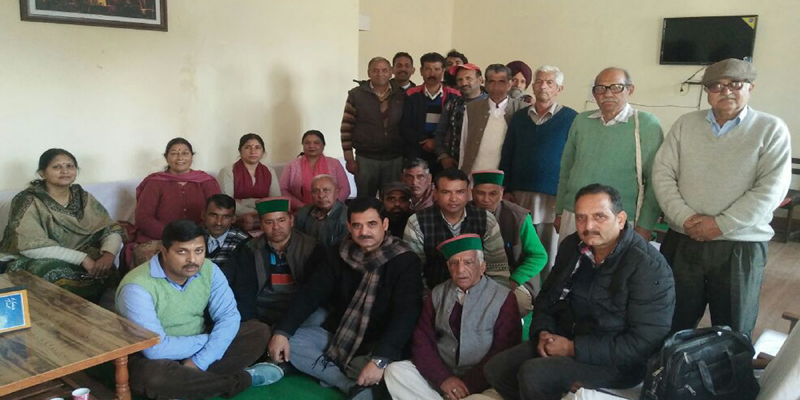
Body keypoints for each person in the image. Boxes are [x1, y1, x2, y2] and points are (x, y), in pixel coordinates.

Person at [485, 184, 675, 400]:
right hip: (568, 337)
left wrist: (573, 348)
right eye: (581, 218)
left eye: (599, 217)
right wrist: (543, 332)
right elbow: (547, 298)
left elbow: (645, 342)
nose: (588, 226)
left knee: (534, 374)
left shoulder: (648, 266)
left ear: (621, 219)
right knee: (497, 369)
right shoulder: (572, 246)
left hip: (619, 362)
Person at [652, 58, 792, 338]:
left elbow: (771, 189)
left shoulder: (771, 129)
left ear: (750, 87)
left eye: (735, 84)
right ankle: (667, 366)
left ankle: (726, 369)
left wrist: (721, 225)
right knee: (670, 320)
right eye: (716, 86)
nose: (725, 91)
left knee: (732, 330)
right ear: (707, 91)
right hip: (684, 239)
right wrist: (685, 218)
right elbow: (662, 173)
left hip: (740, 246)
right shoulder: (685, 124)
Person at [267, 197, 423, 400]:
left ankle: (333, 371)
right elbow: (311, 293)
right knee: (292, 341)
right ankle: (348, 385)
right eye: (357, 225)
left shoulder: (404, 259)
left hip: (378, 341)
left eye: (371, 224)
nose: (364, 232)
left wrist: (380, 360)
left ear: (385, 224)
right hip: (340, 333)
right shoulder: (340, 252)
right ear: (349, 226)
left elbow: (406, 314)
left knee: (384, 370)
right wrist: (282, 331)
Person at [116, 220, 283, 400]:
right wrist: (209, 341)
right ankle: (242, 379)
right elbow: (154, 349)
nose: (192, 260)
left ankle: (187, 385)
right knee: (154, 378)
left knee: (258, 332)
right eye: (182, 252)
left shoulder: (210, 270)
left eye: (199, 251)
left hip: (196, 348)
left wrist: (198, 361)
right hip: (153, 359)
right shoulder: (137, 287)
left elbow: (228, 316)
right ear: (164, 252)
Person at [384, 234, 521, 400]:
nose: (460, 270)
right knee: (395, 371)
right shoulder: (437, 294)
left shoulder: (503, 298)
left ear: (482, 266)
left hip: (484, 383)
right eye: (454, 263)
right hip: (443, 377)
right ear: (448, 268)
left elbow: (503, 351)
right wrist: (444, 379)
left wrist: (467, 386)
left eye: (468, 262)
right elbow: (422, 340)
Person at [554, 67, 663, 242]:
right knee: (571, 259)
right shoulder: (581, 121)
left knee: (612, 261)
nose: (607, 94)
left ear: (630, 90)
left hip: (618, 219)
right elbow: (566, 169)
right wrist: (560, 211)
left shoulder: (646, 124)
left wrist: (646, 225)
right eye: (601, 88)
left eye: (616, 87)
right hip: (575, 214)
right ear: (594, 93)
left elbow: (656, 180)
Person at [0, 149, 125, 300]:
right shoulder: (27, 200)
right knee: (53, 271)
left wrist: (109, 254)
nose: (65, 171)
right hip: (31, 258)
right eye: (57, 167)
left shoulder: (83, 197)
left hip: (81, 256)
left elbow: (109, 228)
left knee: (104, 268)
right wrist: (83, 259)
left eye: (70, 166)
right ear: (42, 173)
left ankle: (89, 310)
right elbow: (31, 247)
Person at [500, 65, 578, 281]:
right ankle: (521, 289)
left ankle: (544, 291)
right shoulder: (519, 117)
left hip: (552, 199)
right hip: (519, 195)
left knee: (547, 250)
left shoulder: (572, 118)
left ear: (559, 89)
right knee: (520, 246)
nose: (543, 86)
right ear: (533, 86)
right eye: (539, 81)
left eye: (550, 82)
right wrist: (506, 188)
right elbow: (508, 153)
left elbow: (575, 159)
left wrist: (565, 199)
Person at [404, 168, 510, 291]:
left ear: (468, 193)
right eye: (446, 192)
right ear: (435, 193)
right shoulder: (417, 222)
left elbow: (497, 267)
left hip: (479, 292)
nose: (453, 199)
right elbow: (413, 271)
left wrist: (497, 297)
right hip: (434, 291)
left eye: (460, 192)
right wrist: (428, 298)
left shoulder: (486, 219)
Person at [226, 198, 327, 326]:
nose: (276, 227)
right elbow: (244, 290)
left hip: (296, 306)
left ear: (291, 221)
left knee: (319, 317)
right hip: (262, 306)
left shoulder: (311, 247)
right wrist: (252, 323)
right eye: (269, 222)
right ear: (261, 225)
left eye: (281, 220)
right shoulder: (250, 249)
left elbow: (312, 292)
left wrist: (286, 326)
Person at [471, 170, 548, 314]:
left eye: (493, 193)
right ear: (472, 193)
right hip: (474, 276)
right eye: (480, 193)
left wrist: (513, 281)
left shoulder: (518, 217)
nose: (486, 199)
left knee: (518, 302)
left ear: (501, 193)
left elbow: (538, 256)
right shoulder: (464, 214)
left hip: (512, 276)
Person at [341, 56, 406, 198]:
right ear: (369, 73)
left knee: (392, 199)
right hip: (366, 159)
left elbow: (406, 126)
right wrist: (349, 158)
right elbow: (346, 127)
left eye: (384, 70)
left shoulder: (401, 94)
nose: (380, 74)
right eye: (375, 70)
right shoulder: (356, 95)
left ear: (391, 72)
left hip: (394, 159)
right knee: (365, 200)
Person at [134, 137, 220, 243]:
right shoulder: (154, 182)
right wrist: (170, 236)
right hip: (161, 238)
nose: (180, 158)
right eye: (174, 154)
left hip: (199, 238)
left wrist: (195, 234)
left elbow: (217, 213)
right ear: (166, 157)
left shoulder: (206, 181)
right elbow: (143, 217)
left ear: (192, 156)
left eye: (185, 153)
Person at [460, 64, 529, 176]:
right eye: (492, 82)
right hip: (475, 173)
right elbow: (464, 144)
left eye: (501, 82)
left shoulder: (523, 110)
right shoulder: (472, 108)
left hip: (507, 176)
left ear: (509, 84)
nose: (496, 87)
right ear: (485, 84)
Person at [403, 52, 461, 175]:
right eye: (428, 69)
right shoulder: (411, 94)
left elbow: (455, 126)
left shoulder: (454, 95)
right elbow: (405, 125)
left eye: (436, 69)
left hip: (445, 152)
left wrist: (437, 142)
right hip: (417, 149)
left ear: (443, 70)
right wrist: (424, 141)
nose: (432, 73)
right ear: (421, 71)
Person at [217, 133, 281, 231]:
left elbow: (276, 201)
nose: (253, 151)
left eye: (257, 147)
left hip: (266, 218)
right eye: (248, 147)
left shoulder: (269, 171)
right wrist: (258, 209)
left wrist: (244, 201)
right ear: (240, 150)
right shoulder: (228, 171)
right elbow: (227, 202)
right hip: (236, 218)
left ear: (263, 151)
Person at [280, 130, 350, 213]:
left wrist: (331, 206)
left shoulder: (334, 163)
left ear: (323, 145)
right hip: (300, 211)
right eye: (307, 143)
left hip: (333, 211)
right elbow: (283, 190)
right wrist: (302, 207)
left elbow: (345, 188)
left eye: (316, 143)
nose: (311, 146)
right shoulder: (292, 165)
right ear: (303, 145)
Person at [434, 63, 488, 170]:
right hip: (454, 164)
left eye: (468, 78)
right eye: (460, 79)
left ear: (480, 80)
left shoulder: (490, 104)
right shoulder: (451, 105)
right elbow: (439, 133)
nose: (464, 83)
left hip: (483, 165)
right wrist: (443, 156)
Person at [295, 175, 349, 250]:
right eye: (315, 191)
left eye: (326, 190)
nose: (321, 195)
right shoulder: (303, 213)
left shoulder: (346, 216)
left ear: (336, 193)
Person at [202, 194, 250, 271]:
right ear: (203, 215)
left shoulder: (243, 242)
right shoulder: (194, 237)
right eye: (213, 215)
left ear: (233, 219)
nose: (218, 222)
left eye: (226, 217)